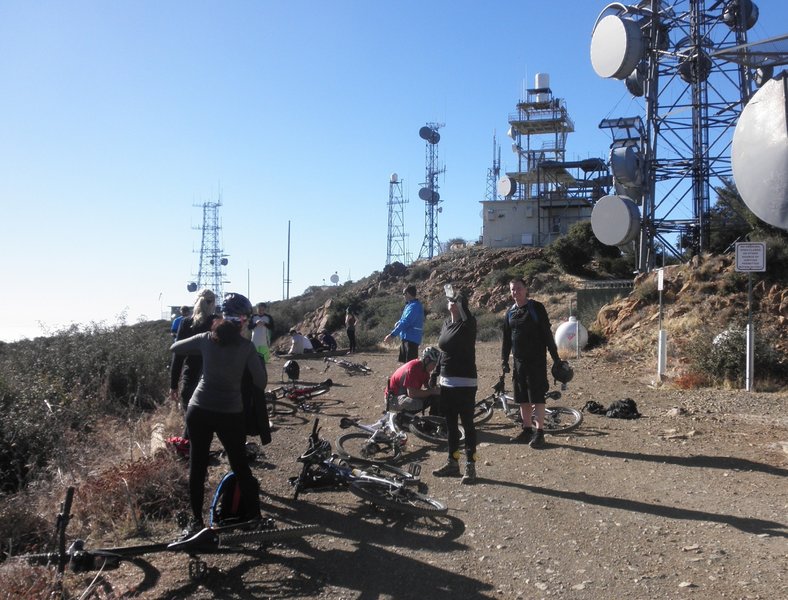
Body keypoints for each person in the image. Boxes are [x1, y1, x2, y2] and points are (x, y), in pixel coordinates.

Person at [170, 292, 267, 539]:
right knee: (240, 465)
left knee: (198, 465)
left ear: (223, 316)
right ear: (243, 321)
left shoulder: (204, 339)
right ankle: (255, 518)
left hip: (198, 409)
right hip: (230, 412)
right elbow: (261, 381)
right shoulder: (246, 347)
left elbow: (175, 347)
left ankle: (196, 522)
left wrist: (202, 351)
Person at [501, 277, 561, 449]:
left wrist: (555, 358)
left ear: (526, 289)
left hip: (536, 361)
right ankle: (527, 430)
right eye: (512, 289)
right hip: (519, 363)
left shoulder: (536, 308)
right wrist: (504, 360)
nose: (515, 292)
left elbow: (546, 334)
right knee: (522, 398)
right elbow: (506, 339)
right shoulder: (510, 312)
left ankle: (540, 433)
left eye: (519, 288)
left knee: (537, 397)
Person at [432, 286, 478, 484]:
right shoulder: (446, 324)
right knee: (451, 426)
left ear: (461, 305)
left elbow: (462, 309)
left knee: (468, 425)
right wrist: (435, 373)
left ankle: (471, 466)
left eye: (455, 301)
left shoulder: (468, 324)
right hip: (447, 381)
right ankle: (453, 462)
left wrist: (456, 297)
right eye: (449, 300)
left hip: (465, 382)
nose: (450, 302)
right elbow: (443, 351)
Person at [170, 290, 218, 438]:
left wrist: (173, 384)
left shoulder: (186, 322)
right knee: (209, 421)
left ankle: (187, 452)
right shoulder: (218, 322)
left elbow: (178, 355)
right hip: (213, 380)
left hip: (190, 377)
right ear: (213, 304)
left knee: (191, 421)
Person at [384, 346, 441, 413]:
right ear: (427, 360)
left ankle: (434, 418)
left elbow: (428, 387)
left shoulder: (424, 369)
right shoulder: (413, 368)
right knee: (415, 403)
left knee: (433, 397)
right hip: (392, 399)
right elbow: (412, 393)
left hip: (403, 395)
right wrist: (432, 391)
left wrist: (436, 390)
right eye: (434, 364)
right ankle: (402, 419)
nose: (434, 367)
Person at [383, 285, 424, 363]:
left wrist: (392, 335)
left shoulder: (415, 306)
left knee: (410, 366)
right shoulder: (409, 305)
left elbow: (406, 322)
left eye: (403, 294)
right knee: (405, 365)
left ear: (408, 294)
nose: (403, 296)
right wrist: (398, 322)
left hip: (411, 340)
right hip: (406, 338)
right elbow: (403, 320)